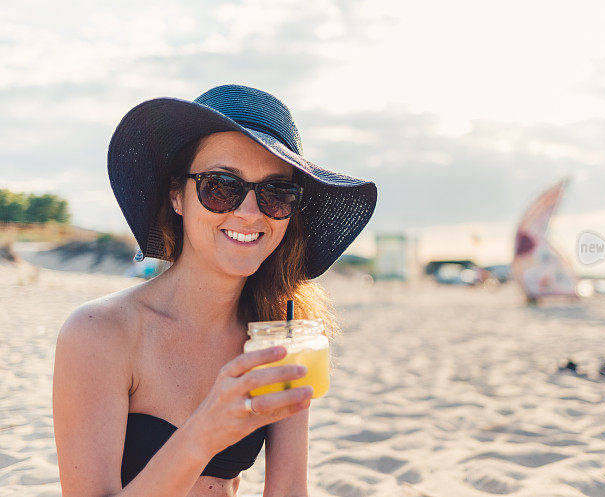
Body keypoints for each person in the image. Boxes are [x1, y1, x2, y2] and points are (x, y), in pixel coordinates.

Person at [52, 85, 377, 497]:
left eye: (276, 193)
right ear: (177, 196)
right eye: (221, 186)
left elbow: (289, 489)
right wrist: (203, 432)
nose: (249, 212)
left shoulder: (281, 332)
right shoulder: (99, 333)